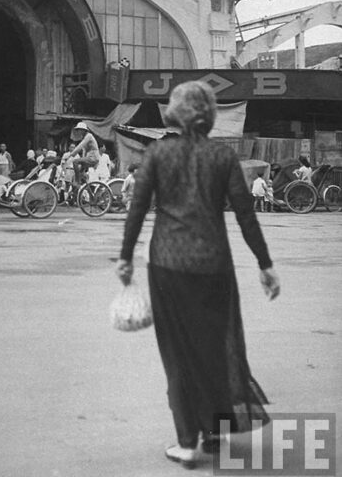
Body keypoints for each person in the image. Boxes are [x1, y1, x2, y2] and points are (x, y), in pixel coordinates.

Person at [116, 81, 280, 468]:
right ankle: (212, 432)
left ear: (174, 111)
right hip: (214, 266)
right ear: (209, 115)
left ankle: (186, 441)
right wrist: (265, 264)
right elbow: (245, 214)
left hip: (168, 265)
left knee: (178, 352)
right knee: (213, 348)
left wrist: (125, 258)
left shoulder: (158, 153)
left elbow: (137, 209)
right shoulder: (222, 157)